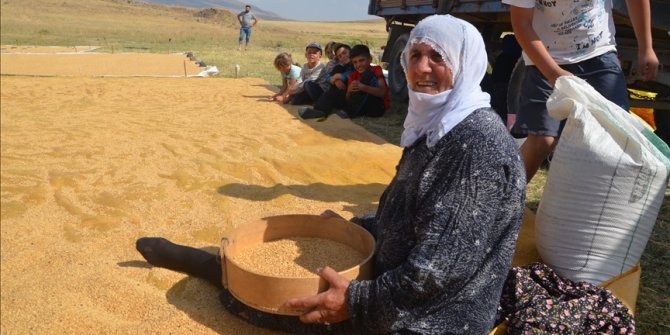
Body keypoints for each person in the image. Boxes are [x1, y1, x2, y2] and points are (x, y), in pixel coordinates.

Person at [136, 14, 526, 334]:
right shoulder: (439, 124)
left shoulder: (476, 148)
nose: (421, 68)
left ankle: (209, 268)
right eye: (415, 55)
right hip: (403, 282)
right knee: (279, 286)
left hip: (434, 319)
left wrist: (353, 301)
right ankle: (215, 268)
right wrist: (355, 230)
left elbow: (436, 273)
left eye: (437, 57)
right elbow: (414, 212)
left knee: (280, 307)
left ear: (465, 64)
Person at [504, 0, 659, 182]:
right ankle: (504, 200)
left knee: (617, 134)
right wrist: (553, 73)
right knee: (543, 140)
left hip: (599, 54)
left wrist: (646, 47)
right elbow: (521, 23)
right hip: (545, 60)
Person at [298, 43, 354, 119]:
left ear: (351, 52)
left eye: (344, 53)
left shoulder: (355, 63)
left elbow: (354, 72)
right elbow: (328, 77)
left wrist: (340, 76)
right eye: (340, 56)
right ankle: (320, 109)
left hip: (350, 96)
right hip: (339, 92)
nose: (343, 57)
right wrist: (335, 80)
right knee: (337, 69)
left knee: (337, 70)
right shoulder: (341, 65)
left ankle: (321, 109)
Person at [342, 44, 390, 118]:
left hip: (377, 106)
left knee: (367, 74)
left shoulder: (376, 70)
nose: (358, 65)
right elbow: (348, 99)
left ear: (370, 59)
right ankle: (350, 111)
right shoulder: (353, 75)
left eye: (361, 60)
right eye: (355, 62)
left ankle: (349, 111)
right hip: (363, 108)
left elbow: (383, 93)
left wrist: (363, 87)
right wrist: (349, 91)